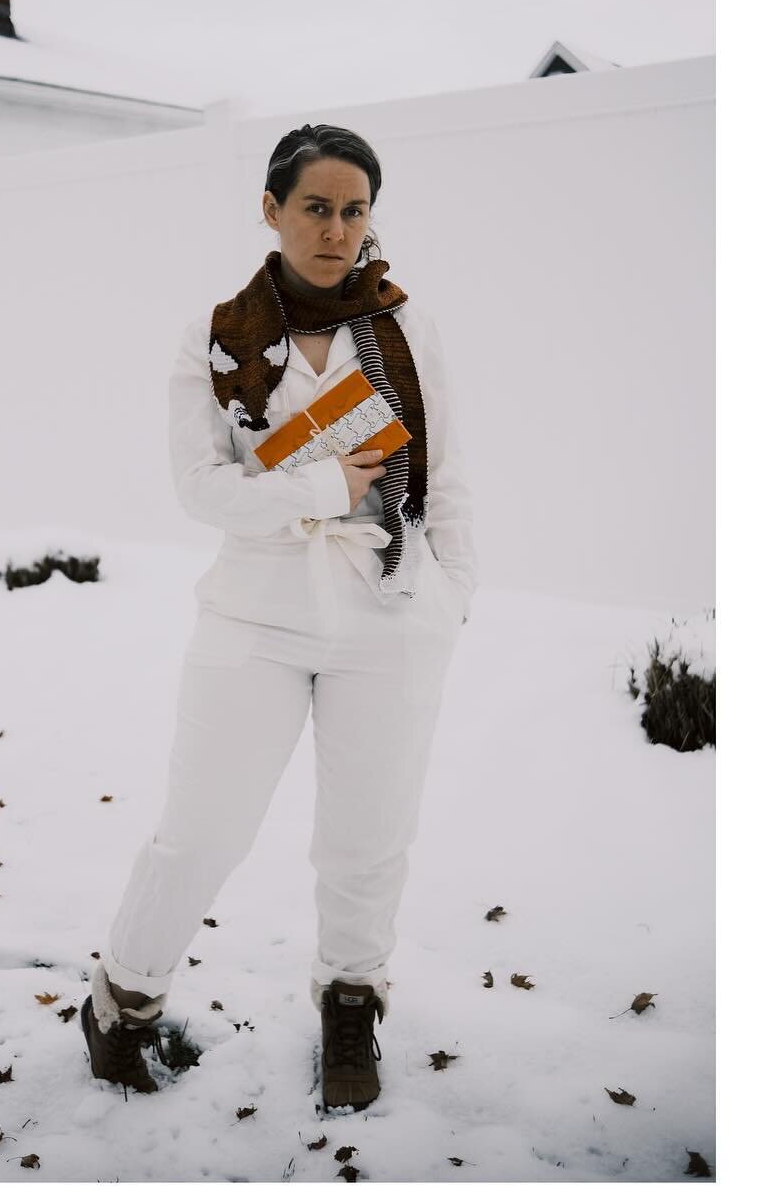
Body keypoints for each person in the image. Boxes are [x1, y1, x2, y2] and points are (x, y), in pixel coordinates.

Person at [79, 123, 477, 1110]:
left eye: (353, 210)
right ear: (272, 209)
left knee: (368, 836)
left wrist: (450, 594)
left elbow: (450, 472)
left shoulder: (406, 326)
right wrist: (323, 487)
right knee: (202, 830)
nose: (336, 229)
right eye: (316, 207)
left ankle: (352, 1008)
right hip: (255, 615)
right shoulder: (220, 334)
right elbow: (199, 486)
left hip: (390, 614)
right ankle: (124, 1000)